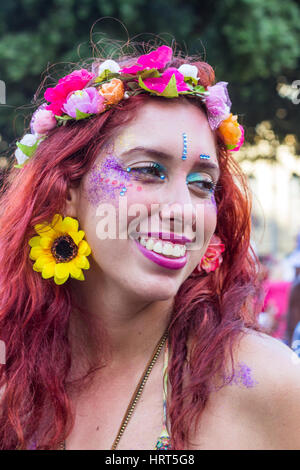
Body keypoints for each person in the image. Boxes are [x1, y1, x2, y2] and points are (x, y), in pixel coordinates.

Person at [1, 42, 300, 451]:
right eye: (148, 171)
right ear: (67, 187)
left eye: (202, 184)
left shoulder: (265, 383)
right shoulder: (9, 365)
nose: (182, 210)